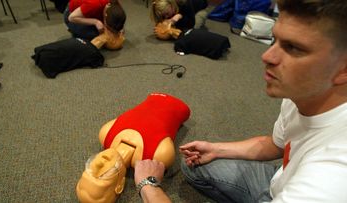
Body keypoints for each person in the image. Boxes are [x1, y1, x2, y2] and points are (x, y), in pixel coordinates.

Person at [134, 0, 347, 202]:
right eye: (275, 40)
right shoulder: (303, 93)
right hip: (284, 178)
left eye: (294, 48)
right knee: (194, 165)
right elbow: (276, 144)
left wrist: (148, 184)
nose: (267, 56)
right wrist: (217, 149)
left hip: (299, 187)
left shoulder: (332, 176)